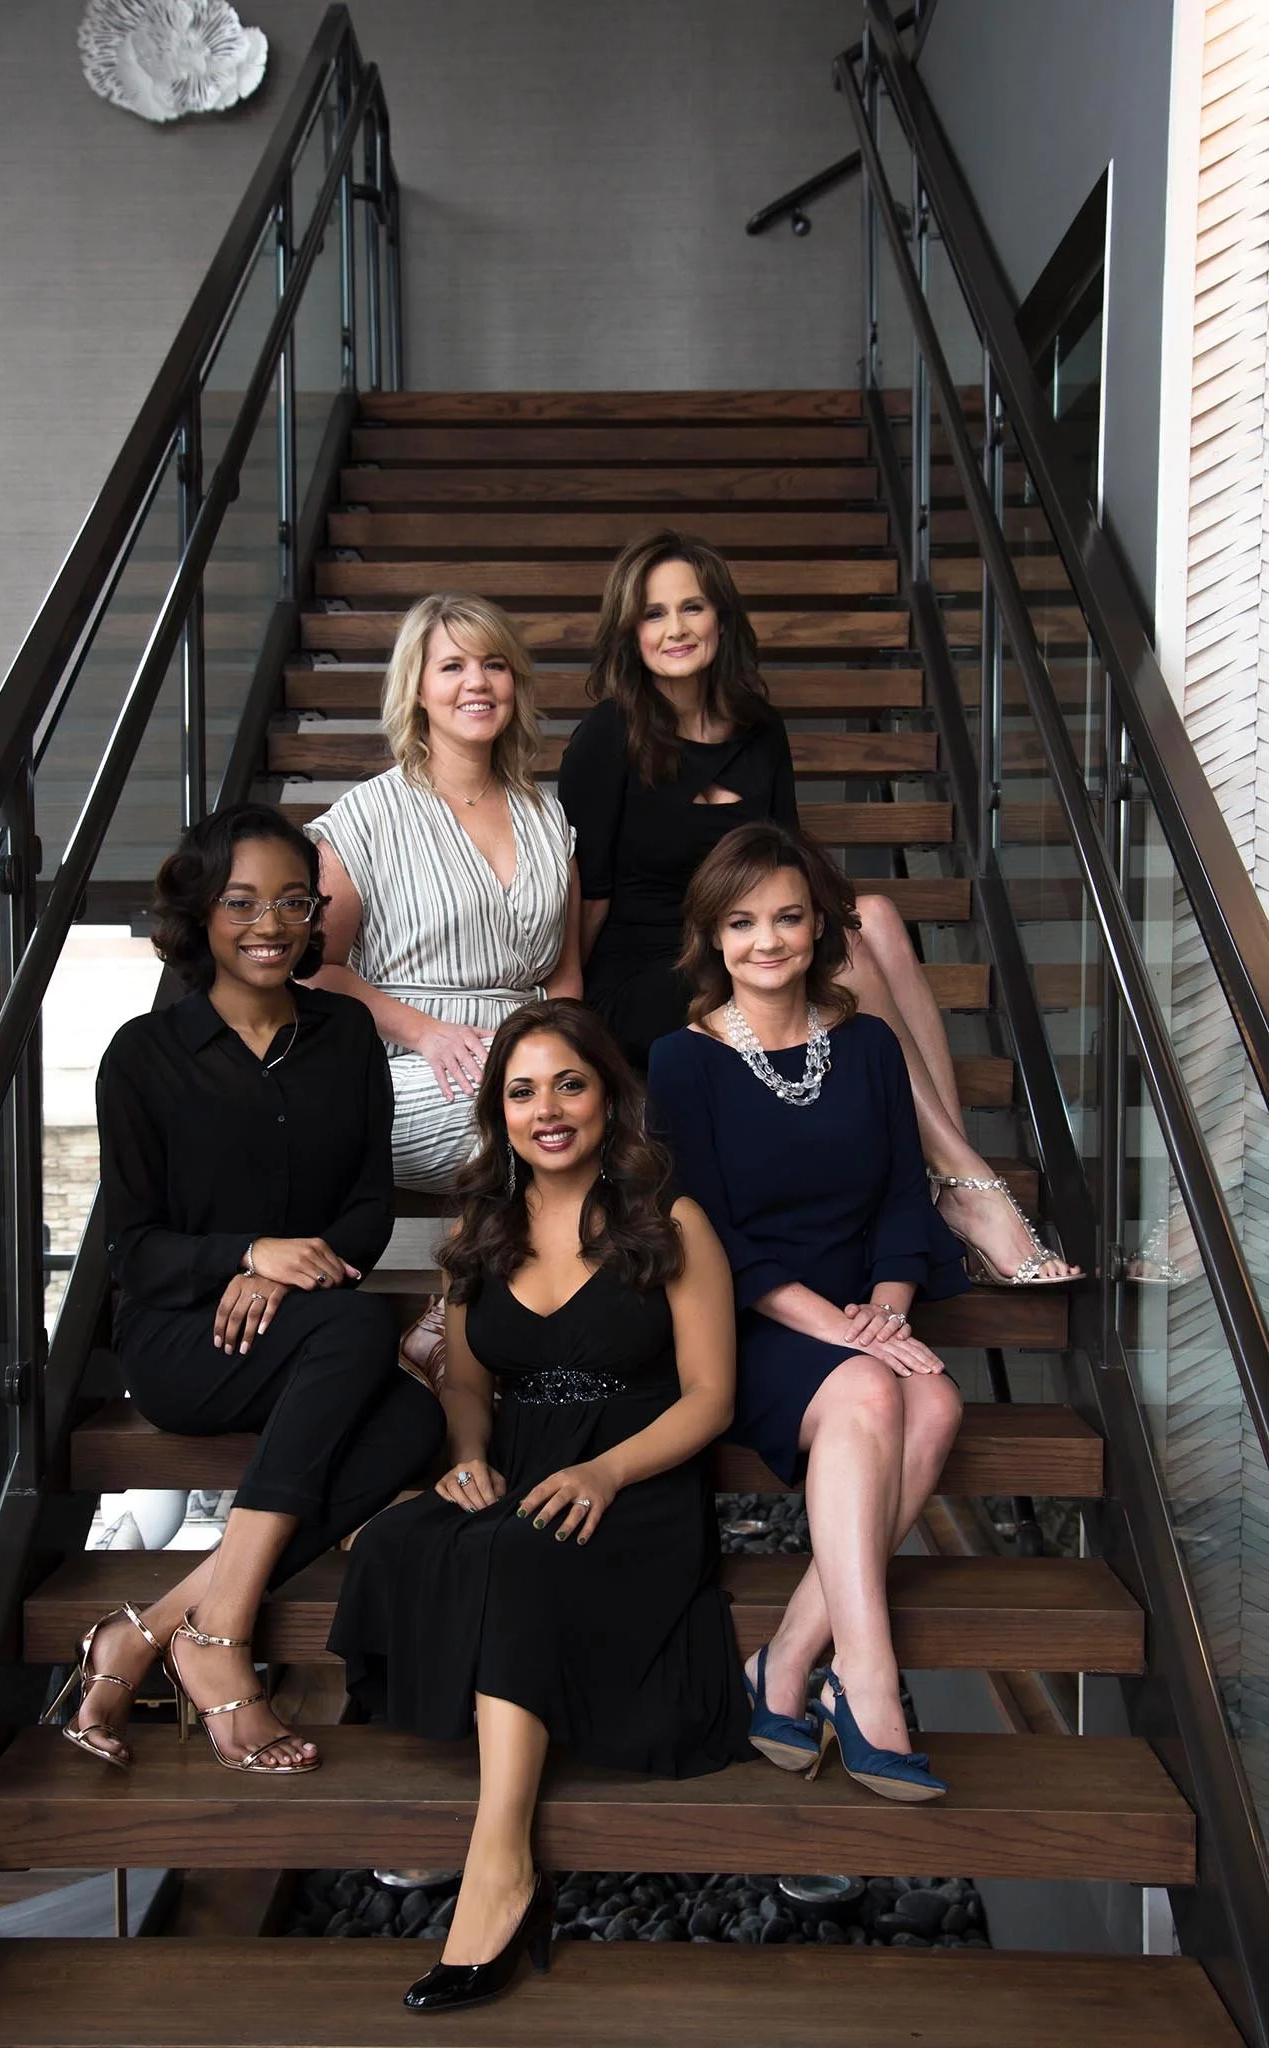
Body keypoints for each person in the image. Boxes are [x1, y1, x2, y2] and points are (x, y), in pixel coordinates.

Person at [329, 999, 751, 2012]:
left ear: (609, 1095)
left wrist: (606, 1471)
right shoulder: (481, 1228)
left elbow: (710, 1396)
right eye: (522, 1090)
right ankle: (499, 1829)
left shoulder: (670, 1220)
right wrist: (468, 1452)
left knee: (514, 1554)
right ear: (498, 1111)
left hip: (636, 1478)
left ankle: (500, 1859)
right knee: (400, 1534)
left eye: (569, 1082)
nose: (546, 1108)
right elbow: (467, 1380)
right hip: (519, 1459)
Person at [560, 529, 1078, 1284]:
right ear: (628, 631)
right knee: (849, 948)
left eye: (691, 607)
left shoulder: (759, 728)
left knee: (878, 920)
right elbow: (587, 893)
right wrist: (568, 1011)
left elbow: (786, 866)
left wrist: (842, 919)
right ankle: (965, 1183)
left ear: (721, 617)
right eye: (652, 614)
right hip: (644, 970)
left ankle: (943, 1175)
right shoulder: (605, 737)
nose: (674, 629)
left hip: (748, 943)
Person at [47, 805, 444, 1777]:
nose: (270, 921)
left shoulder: (345, 1033)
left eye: (292, 900)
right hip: (184, 1339)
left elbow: (362, 1213)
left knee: (412, 1425)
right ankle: (216, 1638)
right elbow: (136, 1251)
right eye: (241, 900)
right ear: (199, 912)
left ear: (316, 915)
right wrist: (248, 1256)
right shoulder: (143, 1057)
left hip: (309, 1323)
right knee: (357, 1329)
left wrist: (289, 1267)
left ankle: (166, 1623)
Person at [648, 822, 967, 1802]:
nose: (767, 940)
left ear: (819, 924)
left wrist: (884, 1300)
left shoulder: (866, 1045)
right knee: (875, 1389)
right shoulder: (680, 1059)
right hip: (741, 1319)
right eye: (741, 922)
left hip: (853, 1308)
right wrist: (831, 1327)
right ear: (710, 934)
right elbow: (697, 1229)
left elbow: (903, 1198)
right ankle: (867, 1685)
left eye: (787, 916)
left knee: (941, 1404)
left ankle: (784, 1661)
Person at [305, 593, 581, 1195]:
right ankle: (484, 1283)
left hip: (532, 1057)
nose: (476, 682)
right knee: (533, 1130)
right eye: (452, 666)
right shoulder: (366, 818)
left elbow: (564, 974)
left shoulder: (548, 817)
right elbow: (313, 971)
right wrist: (427, 1033)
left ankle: (487, 1288)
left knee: (613, 1116)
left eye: (494, 664)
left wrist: (555, 1057)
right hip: (411, 1063)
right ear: (418, 689)